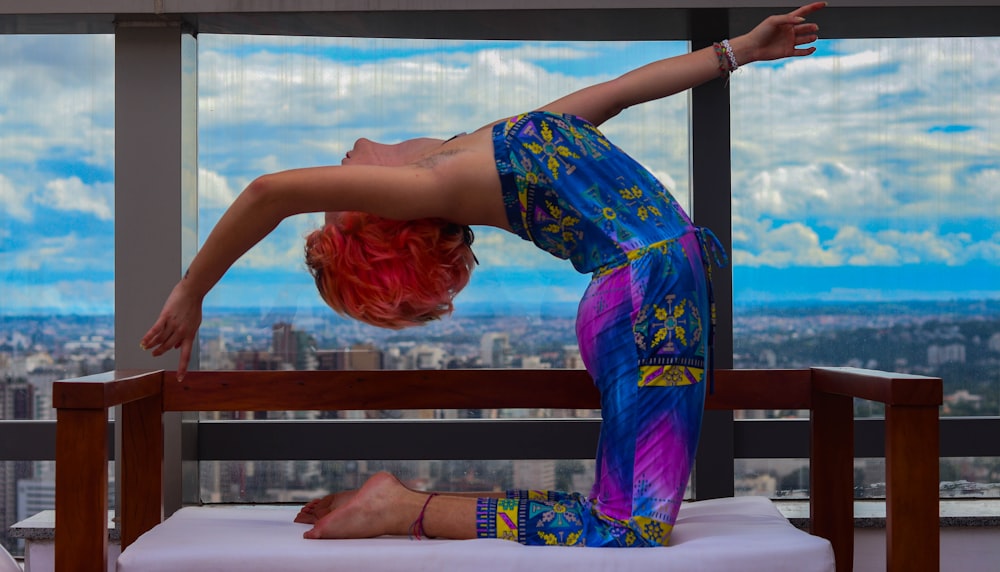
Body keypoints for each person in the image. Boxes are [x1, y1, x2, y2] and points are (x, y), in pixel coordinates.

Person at [141, 2, 824, 547]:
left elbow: (617, 92)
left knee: (631, 521)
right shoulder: (433, 182)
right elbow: (267, 192)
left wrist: (742, 50)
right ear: (384, 219)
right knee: (631, 529)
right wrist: (190, 290)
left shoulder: (486, 147)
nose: (344, 160)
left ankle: (404, 507)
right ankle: (408, 509)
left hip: (651, 291)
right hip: (648, 294)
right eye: (342, 195)